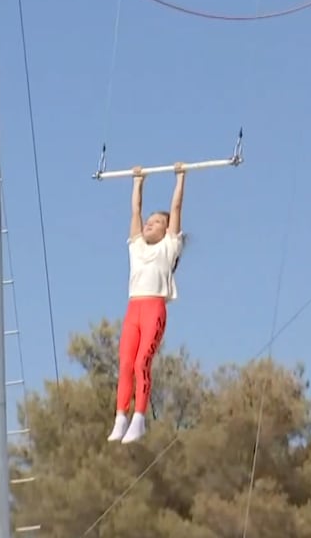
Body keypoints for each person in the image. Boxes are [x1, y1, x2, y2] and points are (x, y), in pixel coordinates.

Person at [107, 162, 187, 444]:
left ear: (167, 232)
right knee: (126, 362)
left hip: (153, 308)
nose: (149, 224)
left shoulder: (169, 247)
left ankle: (139, 417)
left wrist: (180, 178)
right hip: (133, 309)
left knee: (142, 362)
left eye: (157, 222)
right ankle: (120, 417)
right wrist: (138, 181)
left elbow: (175, 210)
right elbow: (135, 210)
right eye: (149, 222)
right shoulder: (136, 246)